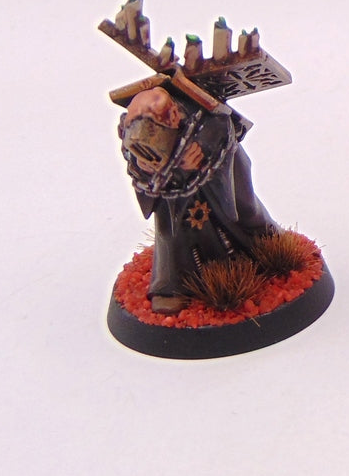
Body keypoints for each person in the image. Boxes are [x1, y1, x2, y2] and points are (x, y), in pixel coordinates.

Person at [119, 86, 277, 313]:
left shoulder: (207, 116)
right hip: (172, 192)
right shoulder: (133, 128)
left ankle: (260, 250)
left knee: (243, 213)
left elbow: (222, 135)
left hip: (217, 183)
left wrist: (198, 159)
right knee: (171, 227)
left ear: (173, 115)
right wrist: (144, 166)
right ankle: (172, 285)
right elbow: (135, 156)